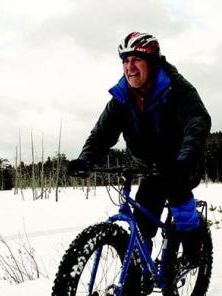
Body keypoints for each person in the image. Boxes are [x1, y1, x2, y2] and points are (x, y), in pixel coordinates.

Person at [68, 32, 211, 263]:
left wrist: (185, 159)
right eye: (125, 61)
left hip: (181, 164)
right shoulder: (122, 97)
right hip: (149, 169)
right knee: (143, 224)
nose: (129, 67)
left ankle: (195, 249)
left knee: (179, 198)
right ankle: (137, 276)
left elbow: (197, 122)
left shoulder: (177, 89)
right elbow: (102, 133)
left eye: (136, 60)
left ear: (152, 62)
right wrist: (86, 159)